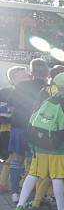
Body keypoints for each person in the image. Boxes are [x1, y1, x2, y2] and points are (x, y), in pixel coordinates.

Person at [13, 72, 64, 210]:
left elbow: (32, 121)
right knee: (57, 178)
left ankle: (19, 206)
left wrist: (33, 145)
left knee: (32, 175)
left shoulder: (47, 100)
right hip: (57, 148)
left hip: (39, 147)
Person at [8, 58, 49, 204]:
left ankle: (15, 193)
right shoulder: (48, 87)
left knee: (16, 160)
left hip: (18, 126)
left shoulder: (19, 87)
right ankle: (36, 196)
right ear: (47, 71)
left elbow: (11, 108)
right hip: (38, 129)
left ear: (32, 72)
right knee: (35, 162)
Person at [0, 66, 29, 194]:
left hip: (14, 128)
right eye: (24, 75)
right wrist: (13, 113)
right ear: (14, 78)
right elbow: (4, 112)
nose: (28, 77)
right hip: (11, 129)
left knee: (16, 156)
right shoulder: (6, 92)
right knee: (18, 156)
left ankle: (4, 183)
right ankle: (20, 184)